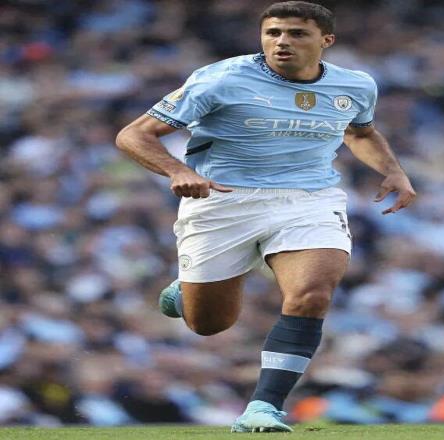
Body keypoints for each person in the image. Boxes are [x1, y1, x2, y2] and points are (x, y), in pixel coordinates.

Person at [115, 1, 416, 432]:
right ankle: (189, 290)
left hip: (310, 198)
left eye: (296, 33)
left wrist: (393, 170)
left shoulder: (356, 84)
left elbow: (360, 131)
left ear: (326, 41)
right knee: (209, 324)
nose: (282, 42)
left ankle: (264, 406)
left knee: (312, 295)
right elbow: (134, 134)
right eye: (273, 33)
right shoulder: (221, 78)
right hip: (224, 200)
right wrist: (178, 170)